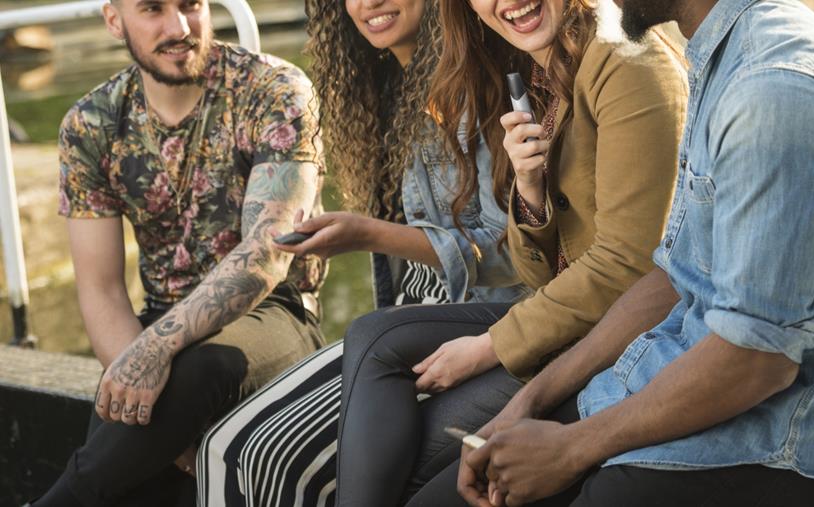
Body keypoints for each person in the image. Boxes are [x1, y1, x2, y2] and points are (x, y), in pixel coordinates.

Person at [409, 0, 814, 505]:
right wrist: (530, 402)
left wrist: (572, 448)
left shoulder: (772, 87)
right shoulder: (719, 53)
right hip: (676, 381)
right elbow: (671, 278)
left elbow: (758, 359)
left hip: (781, 441)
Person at [336, 0, 688, 505]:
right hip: (577, 315)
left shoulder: (625, 63)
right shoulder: (544, 74)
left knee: (423, 483)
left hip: (627, 336)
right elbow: (535, 271)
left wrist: (489, 346)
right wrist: (529, 190)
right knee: (372, 335)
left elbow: (631, 268)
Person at [195, 1, 528, 505]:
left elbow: (510, 252)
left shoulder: (473, 80)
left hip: (477, 321)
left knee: (259, 457)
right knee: (224, 447)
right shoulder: (382, 86)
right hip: (400, 327)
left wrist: (367, 234)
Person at [33, 0, 328, 505]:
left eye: (190, 5)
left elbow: (267, 254)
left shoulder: (274, 90)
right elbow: (102, 289)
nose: (178, 27)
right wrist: (135, 369)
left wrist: (154, 350)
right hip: (160, 322)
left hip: (278, 312)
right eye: (152, 9)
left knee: (202, 367)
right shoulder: (90, 125)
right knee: (120, 417)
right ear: (113, 20)